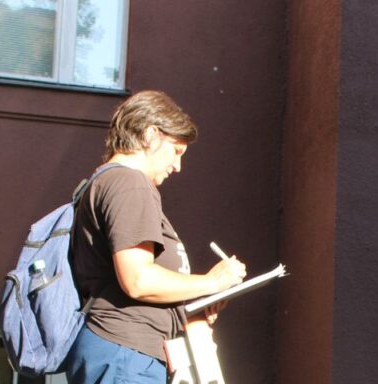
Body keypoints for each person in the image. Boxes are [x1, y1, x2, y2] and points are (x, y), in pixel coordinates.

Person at [65, 90, 247, 383]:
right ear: (150, 135)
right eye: (176, 151)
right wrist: (213, 281)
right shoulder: (129, 183)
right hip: (125, 353)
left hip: (122, 353)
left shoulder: (108, 181)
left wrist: (193, 300)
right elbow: (138, 280)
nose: (178, 166)